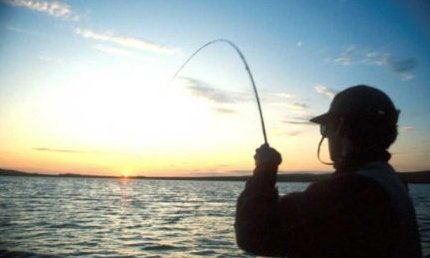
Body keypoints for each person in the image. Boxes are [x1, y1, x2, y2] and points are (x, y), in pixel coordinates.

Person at [235, 85, 422, 258]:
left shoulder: (349, 192)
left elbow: (253, 233)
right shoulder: (393, 183)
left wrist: (264, 169)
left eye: (325, 128)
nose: (325, 135)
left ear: (340, 126)